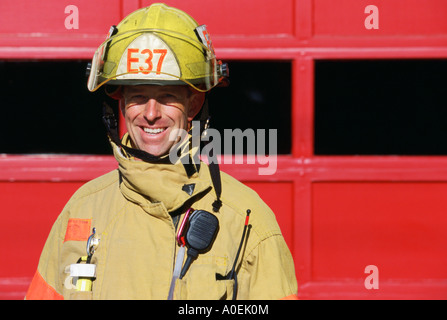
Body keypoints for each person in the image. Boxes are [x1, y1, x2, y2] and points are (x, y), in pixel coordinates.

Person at [25, 3, 298, 300]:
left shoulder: (246, 218)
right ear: (121, 105)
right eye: (138, 96)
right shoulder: (82, 211)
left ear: (193, 105)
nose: (151, 113)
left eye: (167, 97)